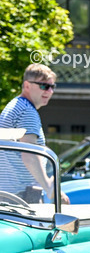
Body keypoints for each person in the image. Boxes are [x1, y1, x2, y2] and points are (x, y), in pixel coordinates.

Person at [0, 64, 58, 200]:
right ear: (27, 86)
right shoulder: (27, 111)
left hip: (9, 195)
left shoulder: (14, 106)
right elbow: (30, 155)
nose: (49, 91)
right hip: (21, 198)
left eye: (52, 87)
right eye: (44, 86)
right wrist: (49, 188)